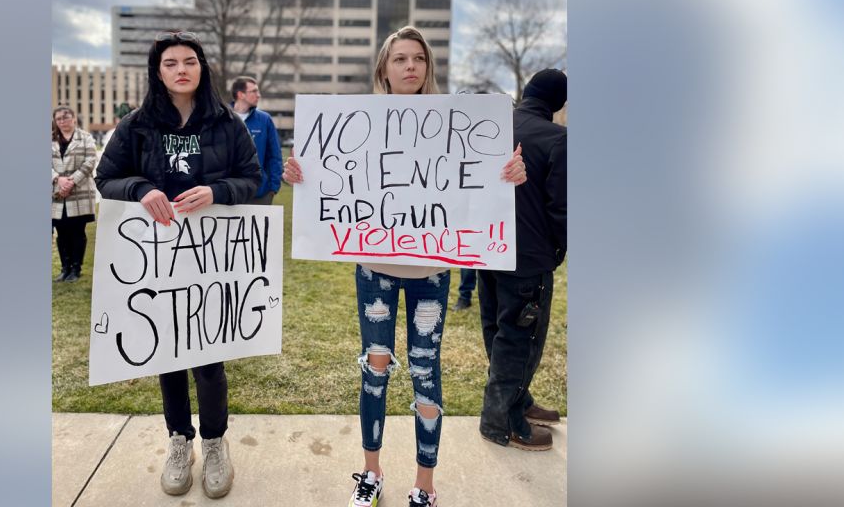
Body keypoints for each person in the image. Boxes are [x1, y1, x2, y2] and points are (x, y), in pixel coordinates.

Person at [283, 26, 527, 507]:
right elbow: (333, 181)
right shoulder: (356, 122)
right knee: (374, 370)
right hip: (374, 267)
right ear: (384, 68)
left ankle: (425, 484)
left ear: (428, 68)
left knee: (424, 371)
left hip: (432, 274)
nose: (410, 66)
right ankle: (370, 474)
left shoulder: (459, 125)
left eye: (418, 58)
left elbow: (479, 195)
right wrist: (301, 177)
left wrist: (510, 176)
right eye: (400, 59)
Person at [94, 31, 261, 499]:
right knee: (167, 357)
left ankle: (213, 442)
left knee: (209, 358)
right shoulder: (137, 125)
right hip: (157, 258)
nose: (181, 69)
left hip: (210, 261)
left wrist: (218, 192)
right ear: (158, 71)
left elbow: (252, 177)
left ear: (203, 68)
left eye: (190, 61)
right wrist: (141, 189)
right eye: (171, 63)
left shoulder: (227, 123)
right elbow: (106, 177)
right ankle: (178, 439)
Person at [476, 68, 567, 451]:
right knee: (520, 340)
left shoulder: (490, 127)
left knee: (499, 333)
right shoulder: (558, 138)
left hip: (483, 250)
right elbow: (562, 208)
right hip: (528, 260)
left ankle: (519, 401)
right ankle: (501, 421)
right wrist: (559, 251)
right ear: (559, 103)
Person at [51, 106, 97, 282]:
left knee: (77, 232)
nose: (63, 121)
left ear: (74, 118)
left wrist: (71, 181)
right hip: (57, 194)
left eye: (66, 117)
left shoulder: (85, 137)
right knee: (61, 233)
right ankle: (65, 268)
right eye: (59, 118)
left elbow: (91, 160)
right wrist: (58, 179)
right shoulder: (49, 139)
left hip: (80, 192)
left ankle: (76, 269)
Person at [230, 76, 282, 205]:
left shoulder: (265, 120)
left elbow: (274, 155)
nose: (258, 95)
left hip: (260, 193)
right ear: (240, 94)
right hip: (229, 191)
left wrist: (273, 188)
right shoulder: (221, 117)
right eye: (254, 91)